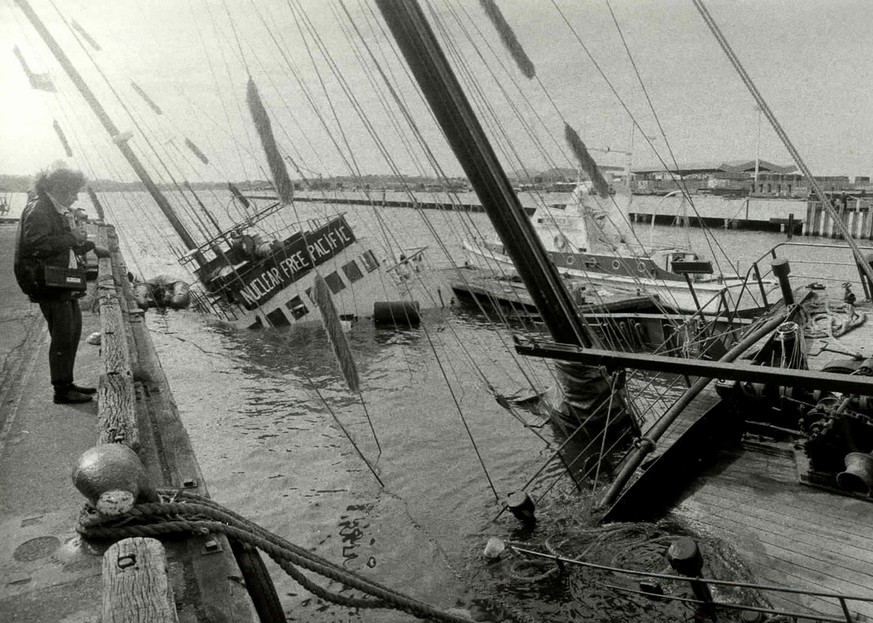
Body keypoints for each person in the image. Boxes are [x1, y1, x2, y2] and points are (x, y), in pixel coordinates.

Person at [13, 166, 109, 404]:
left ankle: (67, 382)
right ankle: (61, 389)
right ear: (58, 187)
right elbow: (37, 245)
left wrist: (88, 246)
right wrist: (72, 238)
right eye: (74, 191)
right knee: (63, 334)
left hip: (59, 278)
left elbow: (61, 244)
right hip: (45, 280)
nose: (76, 196)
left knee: (73, 329)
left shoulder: (53, 208)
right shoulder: (39, 209)